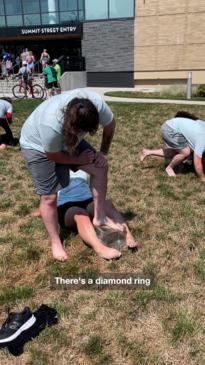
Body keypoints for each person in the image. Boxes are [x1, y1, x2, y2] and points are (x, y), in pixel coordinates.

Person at [20, 88, 118, 262]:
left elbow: (110, 126)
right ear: (72, 126)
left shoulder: (97, 103)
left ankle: (100, 216)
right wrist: (77, 159)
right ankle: (55, 241)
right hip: (37, 147)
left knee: (100, 167)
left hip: (65, 139)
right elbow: (52, 155)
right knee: (49, 197)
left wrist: (103, 152)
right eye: (81, 131)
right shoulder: (50, 124)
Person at [57, 170, 138, 260]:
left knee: (107, 204)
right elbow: (47, 195)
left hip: (88, 199)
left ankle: (127, 234)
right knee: (81, 215)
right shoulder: (56, 164)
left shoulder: (82, 162)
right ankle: (100, 248)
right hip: (66, 204)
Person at [140, 111, 205, 180]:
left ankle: (147, 152)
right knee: (185, 152)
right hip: (170, 129)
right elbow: (197, 161)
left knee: (178, 153)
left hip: (172, 126)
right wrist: (202, 178)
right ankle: (170, 168)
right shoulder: (202, 140)